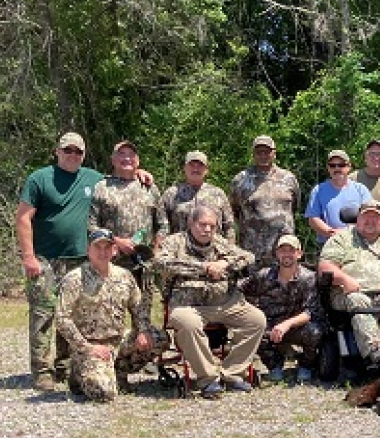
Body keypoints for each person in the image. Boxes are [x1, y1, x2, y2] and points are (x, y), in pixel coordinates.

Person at [16, 132, 106, 391]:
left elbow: (120, 182)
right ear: (57, 151)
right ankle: (42, 371)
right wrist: (29, 257)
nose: (73, 155)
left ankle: (65, 366)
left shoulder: (93, 178)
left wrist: (142, 173)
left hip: (80, 260)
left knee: (73, 314)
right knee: (43, 314)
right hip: (45, 259)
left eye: (78, 151)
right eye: (68, 150)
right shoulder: (40, 179)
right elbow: (23, 218)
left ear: (84, 154)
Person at [154, 205, 264, 400]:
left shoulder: (220, 243)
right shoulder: (174, 242)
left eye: (212, 226)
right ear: (191, 223)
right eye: (202, 224)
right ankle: (208, 378)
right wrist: (203, 268)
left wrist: (225, 264)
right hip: (187, 304)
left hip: (224, 301)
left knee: (256, 320)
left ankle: (232, 374)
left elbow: (248, 257)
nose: (207, 230)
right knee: (189, 324)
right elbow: (162, 263)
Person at [55, 229, 167, 401]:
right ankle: (79, 375)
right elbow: (62, 319)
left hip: (118, 342)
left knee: (159, 338)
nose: (102, 252)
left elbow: (138, 308)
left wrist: (143, 331)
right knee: (104, 393)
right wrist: (87, 348)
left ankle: (117, 372)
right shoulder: (74, 279)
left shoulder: (124, 276)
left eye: (107, 247)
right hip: (89, 347)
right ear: (88, 250)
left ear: (114, 250)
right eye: (97, 247)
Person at [317, 199, 380, 369]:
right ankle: (374, 350)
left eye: (375, 218)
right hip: (350, 293)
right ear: (358, 219)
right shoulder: (341, 239)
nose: (370, 221)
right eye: (366, 217)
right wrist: (345, 280)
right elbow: (325, 266)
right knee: (358, 300)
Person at [88, 140, 169, 324]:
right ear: (113, 160)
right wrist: (116, 242)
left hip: (143, 265)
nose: (127, 158)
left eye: (131, 154)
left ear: (138, 160)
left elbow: (163, 224)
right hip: (111, 263)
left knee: (142, 320)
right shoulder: (102, 188)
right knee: (109, 318)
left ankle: (138, 350)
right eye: (121, 154)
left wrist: (156, 252)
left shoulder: (149, 188)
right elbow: (92, 226)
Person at [238, 234, 325, 384]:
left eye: (291, 250)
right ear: (277, 253)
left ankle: (306, 365)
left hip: (298, 327)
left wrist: (287, 324)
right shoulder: (263, 276)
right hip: (270, 326)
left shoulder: (309, 278)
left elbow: (310, 312)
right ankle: (274, 366)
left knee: (316, 331)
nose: (287, 254)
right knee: (253, 329)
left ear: (299, 254)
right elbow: (240, 289)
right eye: (282, 250)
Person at [230, 135, 301, 268]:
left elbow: (294, 207)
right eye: (259, 152)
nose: (263, 155)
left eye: (267, 152)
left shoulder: (289, 178)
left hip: (284, 250)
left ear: (274, 153)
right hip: (253, 251)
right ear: (253, 154)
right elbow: (234, 211)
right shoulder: (240, 180)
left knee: (285, 286)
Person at [161, 151, 236, 241]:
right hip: (181, 251)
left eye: (200, 165)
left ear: (206, 170)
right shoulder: (171, 194)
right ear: (184, 168)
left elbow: (229, 226)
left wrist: (229, 250)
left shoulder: (218, 194)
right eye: (192, 165)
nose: (196, 169)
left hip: (213, 251)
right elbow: (163, 227)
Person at [305, 149, 371, 245]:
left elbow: (368, 215)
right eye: (332, 165)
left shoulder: (361, 190)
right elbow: (313, 218)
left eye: (341, 165)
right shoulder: (318, 190)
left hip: (358, 242)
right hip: (328, 243)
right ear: (328, 168)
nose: (337, 169)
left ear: (349, 167)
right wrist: (332, 233)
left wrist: (350, 233)